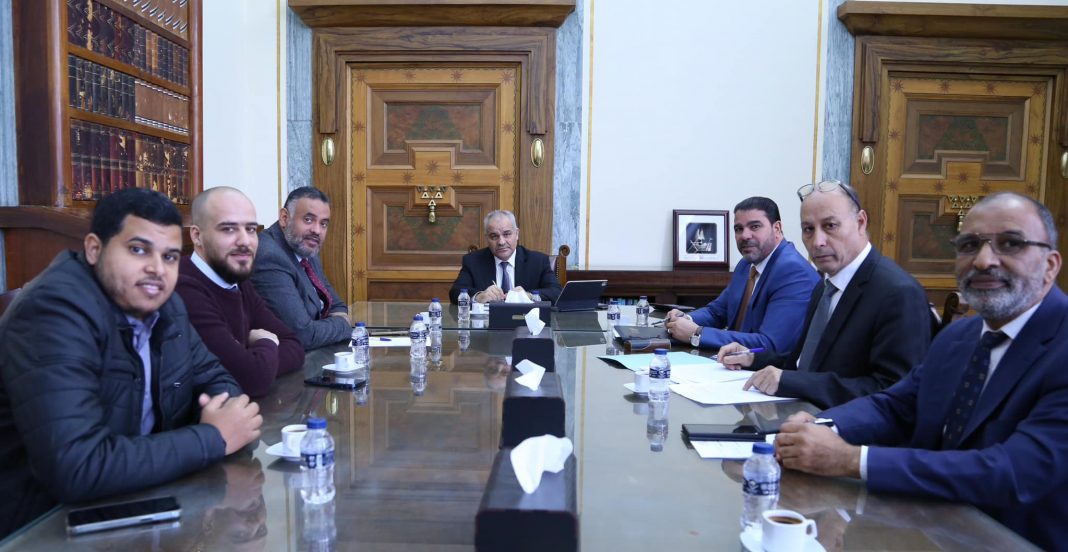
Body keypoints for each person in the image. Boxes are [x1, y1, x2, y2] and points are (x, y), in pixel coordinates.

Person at [774, 192, 1068, 550]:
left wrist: (851, 459)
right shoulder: (959, 337)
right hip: (925, 526)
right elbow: (896, 405)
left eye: (1010, 244)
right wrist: (821, 427)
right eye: (969, 245)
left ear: (1050, 265)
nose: (983, 260)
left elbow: (1013, 472)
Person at [0, 188, 263, 538]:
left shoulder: (167, 306)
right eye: (138, 250)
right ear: (94, 249)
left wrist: (223, 421)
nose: (157, 269)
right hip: (39, 528)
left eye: (170, 256)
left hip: (135, 507)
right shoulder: (52, 314)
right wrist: (212, 438)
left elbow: (221, 383)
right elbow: (77, 466)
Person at [718, 180, 931, 409]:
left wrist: (791, 382)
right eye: (808, 229)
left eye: (830, 226)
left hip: (842, 426)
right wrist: (753, 357)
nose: (817, 242)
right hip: (800, 414)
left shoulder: (898, 293)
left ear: (860, 222)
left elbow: (894, 393)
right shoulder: (824, 286)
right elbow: (809, 362)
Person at [178, 187, 305, 397]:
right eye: (229, 229)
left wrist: (255, 359)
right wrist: (267, 342)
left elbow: (294, 345)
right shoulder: (184, 287)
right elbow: (252, 378)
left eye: (251, 229)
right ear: (197, 236)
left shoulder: (238, 280)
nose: (245, 241)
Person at [665, 197, 819, 351]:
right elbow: (717, 312)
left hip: (765, 365)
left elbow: (770, 345)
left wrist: (697, 333)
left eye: (755, 227)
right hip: (731, 360)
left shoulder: (794, 272)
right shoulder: (746, 265)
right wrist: (685, 319)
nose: (745, 236)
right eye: (739, 229)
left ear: (777, 228)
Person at [251, 186, 350, 350]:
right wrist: (342, 325)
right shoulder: (269, 256)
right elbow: (302, 334)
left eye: (323, 224)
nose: (317, 231)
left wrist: (329, 324)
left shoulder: (306, 247)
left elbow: (336, 305)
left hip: (315, 352)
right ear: (284, 218)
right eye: (308, 220)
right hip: (283, 359)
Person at [448, 210, 562, 304]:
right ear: (487, 238)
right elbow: (455, 292)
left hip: (525, 322)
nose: (501, 242)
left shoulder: (538, 261)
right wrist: (479, 296)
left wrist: (529, 296)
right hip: (488, 323)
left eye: (507, 234)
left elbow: (557, 293)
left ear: (517, 234)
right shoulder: (473, 261)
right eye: (494, 236)